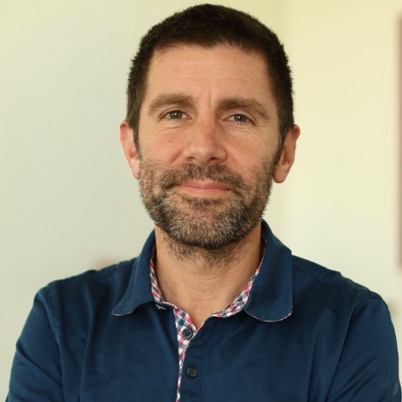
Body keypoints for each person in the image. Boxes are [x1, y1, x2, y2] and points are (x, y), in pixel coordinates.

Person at [7, 4, 401, 401]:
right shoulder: (60, 319)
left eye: (239, 117)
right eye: (176, 113)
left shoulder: (352, 324)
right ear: (133, 149)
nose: (203, 147)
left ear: (284, 152)